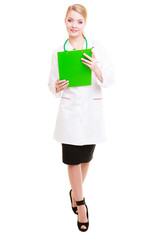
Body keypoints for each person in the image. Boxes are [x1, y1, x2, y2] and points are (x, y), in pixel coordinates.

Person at [48, 4, 114, 232]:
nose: (74, 25)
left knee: (86, 158)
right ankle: (81, 203)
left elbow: (111, 78)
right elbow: (51, 84)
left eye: (79, 21)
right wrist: (56, 86)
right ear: (64, 21)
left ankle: (74, 192)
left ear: (85, 23)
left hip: (91, 112)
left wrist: (97, 69)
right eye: (70, 20)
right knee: (72, 160)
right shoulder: (60, 50)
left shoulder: (97, 48)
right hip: (70, 113)